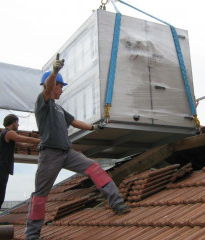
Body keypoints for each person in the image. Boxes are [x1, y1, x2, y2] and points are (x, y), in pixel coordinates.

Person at [25, 54, 130, 240]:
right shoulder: (43, 104)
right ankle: (32, 234)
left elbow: (74, 122)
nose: (62, 91)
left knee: (95, 169)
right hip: (50, 155)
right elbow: (47, 89)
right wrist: (55, 72)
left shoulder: (59, 109)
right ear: (54, 84)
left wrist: (93, 127)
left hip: (67, 152)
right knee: (40, 195)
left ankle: (117, 203)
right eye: (60, 86)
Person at [0, 114, 41, 226]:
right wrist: (41, 140)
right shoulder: (9, 133)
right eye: (17, 122)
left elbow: (23, 144)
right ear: (13, 122)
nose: (18, 125)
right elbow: (24, 138)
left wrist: (35, 145)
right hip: (1, 169)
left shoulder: (4, 134)